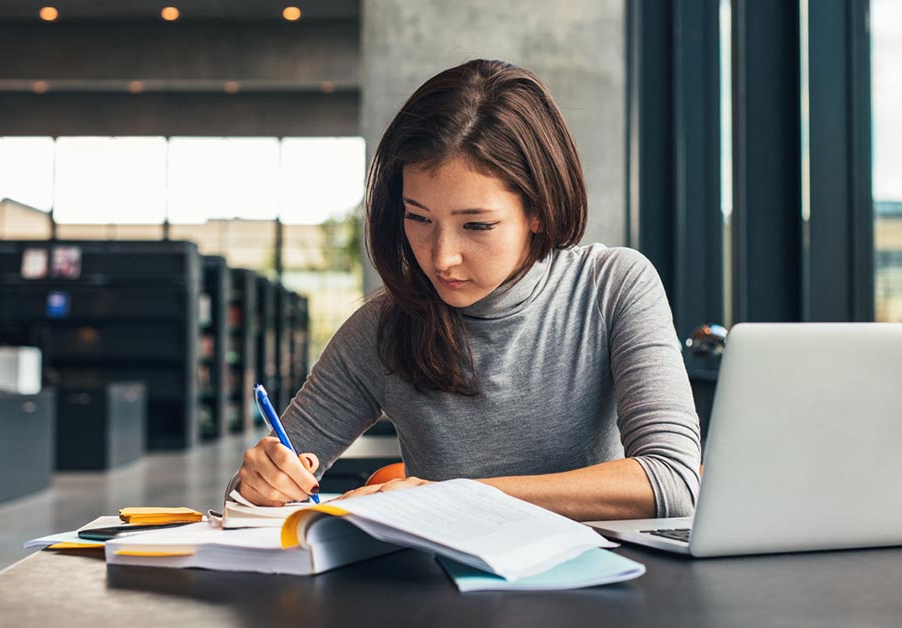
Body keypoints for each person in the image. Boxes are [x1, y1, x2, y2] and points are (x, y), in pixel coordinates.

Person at [231, 59, 701, 521]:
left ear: (538, 211)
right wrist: (259, 484)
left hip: (603, 586)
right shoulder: (380, 327)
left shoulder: (612, 286)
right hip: (445, 593)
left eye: (476, 224)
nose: (441, 257)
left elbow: (672, 481)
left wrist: (452, 497)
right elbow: (245, 500)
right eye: (418, 218)